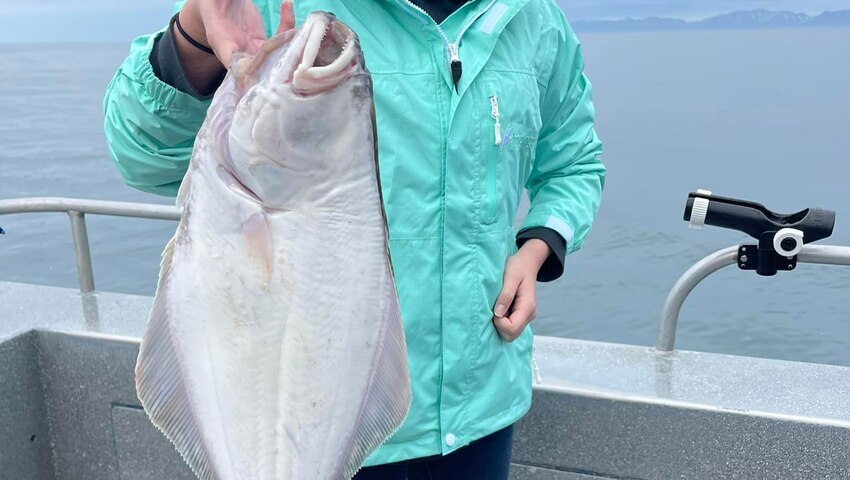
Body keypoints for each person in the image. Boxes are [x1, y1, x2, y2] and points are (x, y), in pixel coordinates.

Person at [103, 0, 605, 478]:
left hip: (480, 402)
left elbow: (573, 161)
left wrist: (538, 247)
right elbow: (143, 153)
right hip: (311, 409)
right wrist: (191, 36)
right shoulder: (271, 9)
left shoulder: (535, 19)